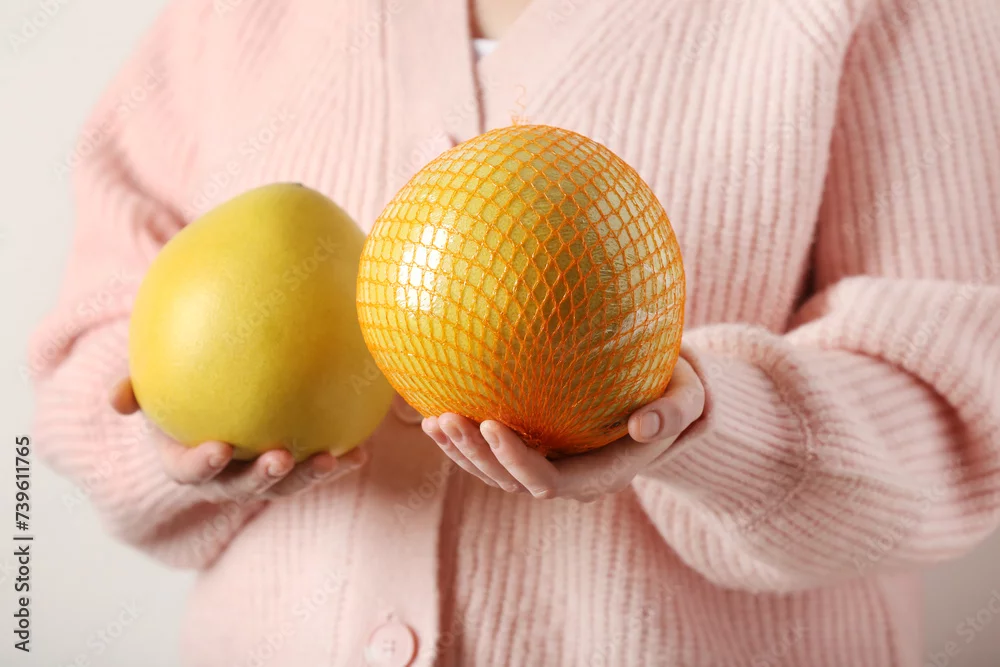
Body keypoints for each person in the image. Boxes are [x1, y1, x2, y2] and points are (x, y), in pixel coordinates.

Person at [29, 0, 1000, 665]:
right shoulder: (228, 17)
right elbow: (90, 347)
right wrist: (170, 431)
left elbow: (957, 414)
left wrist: (705, 424)